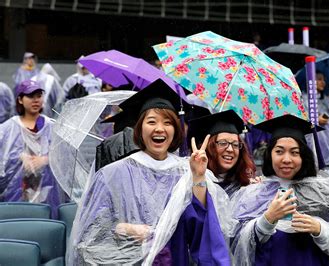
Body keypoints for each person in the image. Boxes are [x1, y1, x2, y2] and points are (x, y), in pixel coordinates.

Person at [68, 80, 231, 265]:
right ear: (140, 128)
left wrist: (198, 177)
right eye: (151, 121)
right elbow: (90, 232)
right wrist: (125, 228)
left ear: (176, 129)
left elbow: (200, 230)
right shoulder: (113, 174)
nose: (159, 128)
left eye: (168, 122)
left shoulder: (186, 172)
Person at [231, 114, 329, 265]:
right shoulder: (254, 193)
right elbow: (237, 245)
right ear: (270, 155)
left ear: (304, 157)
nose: (286, 159)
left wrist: (321, 229)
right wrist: (267, 220)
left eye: (294, 152)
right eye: (279, 151)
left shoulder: (322, 192)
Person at [0, 80, 64, 215]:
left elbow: (65, 157)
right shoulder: (7, 129)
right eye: (30, 96)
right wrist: (20, 157)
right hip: (16, 194)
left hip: (47, 194)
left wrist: (46, 159)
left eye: (39, 96)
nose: (36, 100)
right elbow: (3, 161)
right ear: (20, 100)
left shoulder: (52, 126)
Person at [188, 110, 256, 198]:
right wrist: (198, 177)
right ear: (209, 147)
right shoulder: (190, 179)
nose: (230, 149)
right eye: (223, 143)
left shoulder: (245, 184)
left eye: (235, 145)